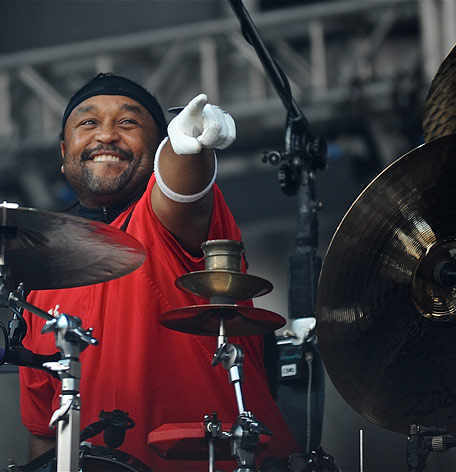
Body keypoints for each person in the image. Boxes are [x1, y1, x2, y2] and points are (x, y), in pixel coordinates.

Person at [19, 73, 299, 470]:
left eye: (128, 122)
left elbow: (181, 187)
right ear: (64, 155)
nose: (107, 135)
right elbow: (45, 435)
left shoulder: (161, 218)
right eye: (88, 122)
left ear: (156, 151)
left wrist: (190, 148)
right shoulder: (42, 284)